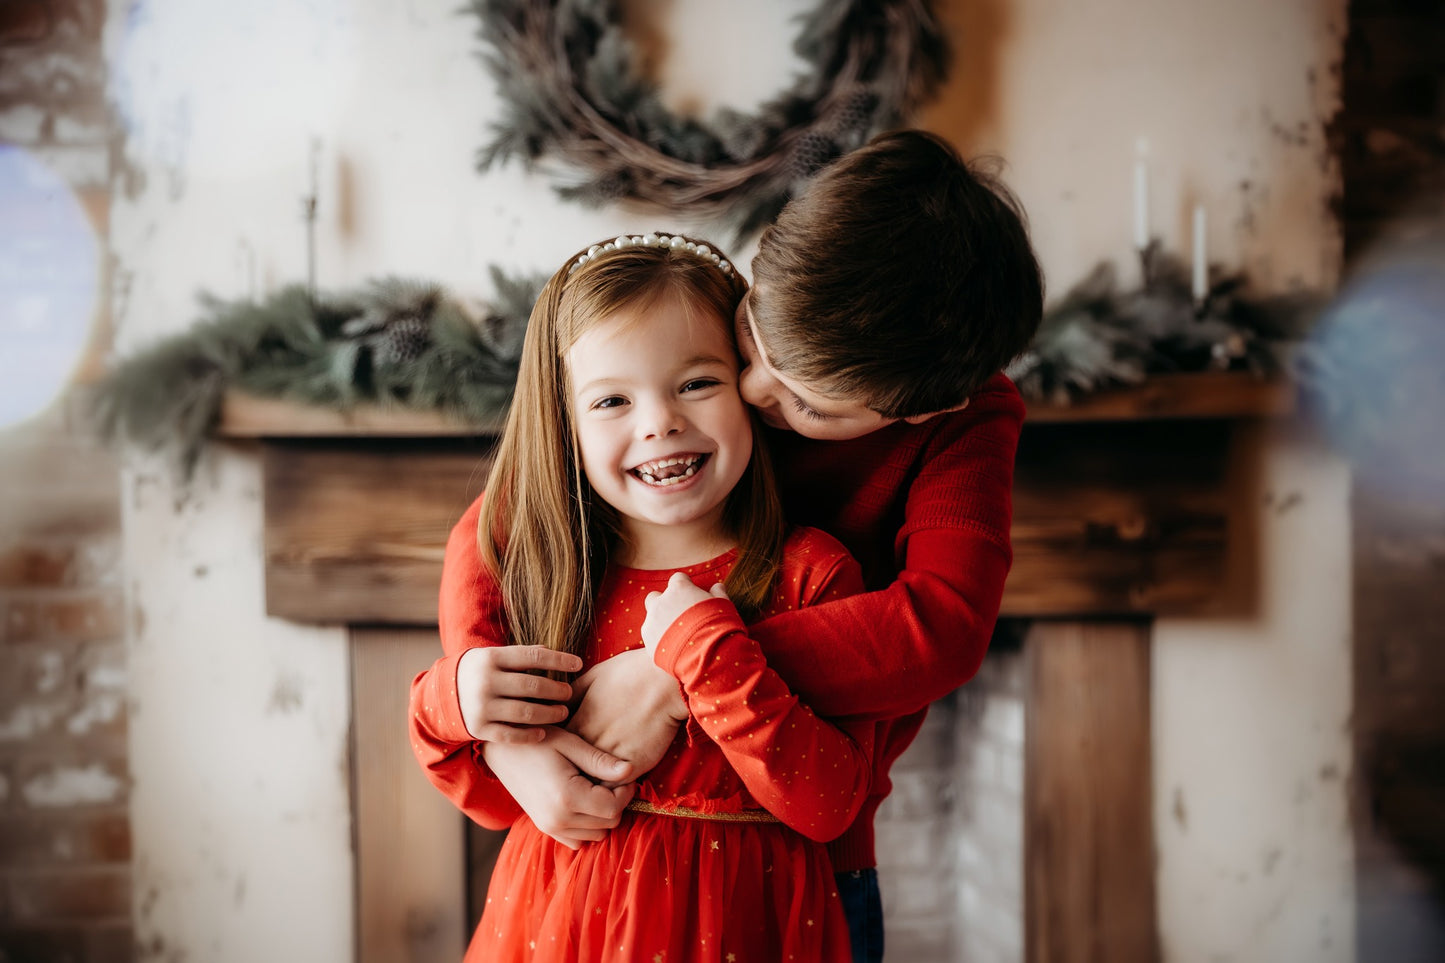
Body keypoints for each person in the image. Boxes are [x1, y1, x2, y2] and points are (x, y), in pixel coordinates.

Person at [422, 128, 1044, 963]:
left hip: (796, 870)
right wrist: (505, 727)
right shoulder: (692, 361)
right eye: (750, 344)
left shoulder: (956, 424)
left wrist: (678, 661)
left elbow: (941, 624)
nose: (753, 392)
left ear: (925, 409)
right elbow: (504, 520)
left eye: (804, 404)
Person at [410, 231, 877, 962]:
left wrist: (699, 653)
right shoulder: (547, 574)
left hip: (747, 929)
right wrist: (458, 698)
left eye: (696, 382)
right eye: (612, 400)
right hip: (555, 927)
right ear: (564, 423)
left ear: (751, 388)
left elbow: (828, 805)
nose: (658, 420)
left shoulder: (814, 576)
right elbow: (487, 794)